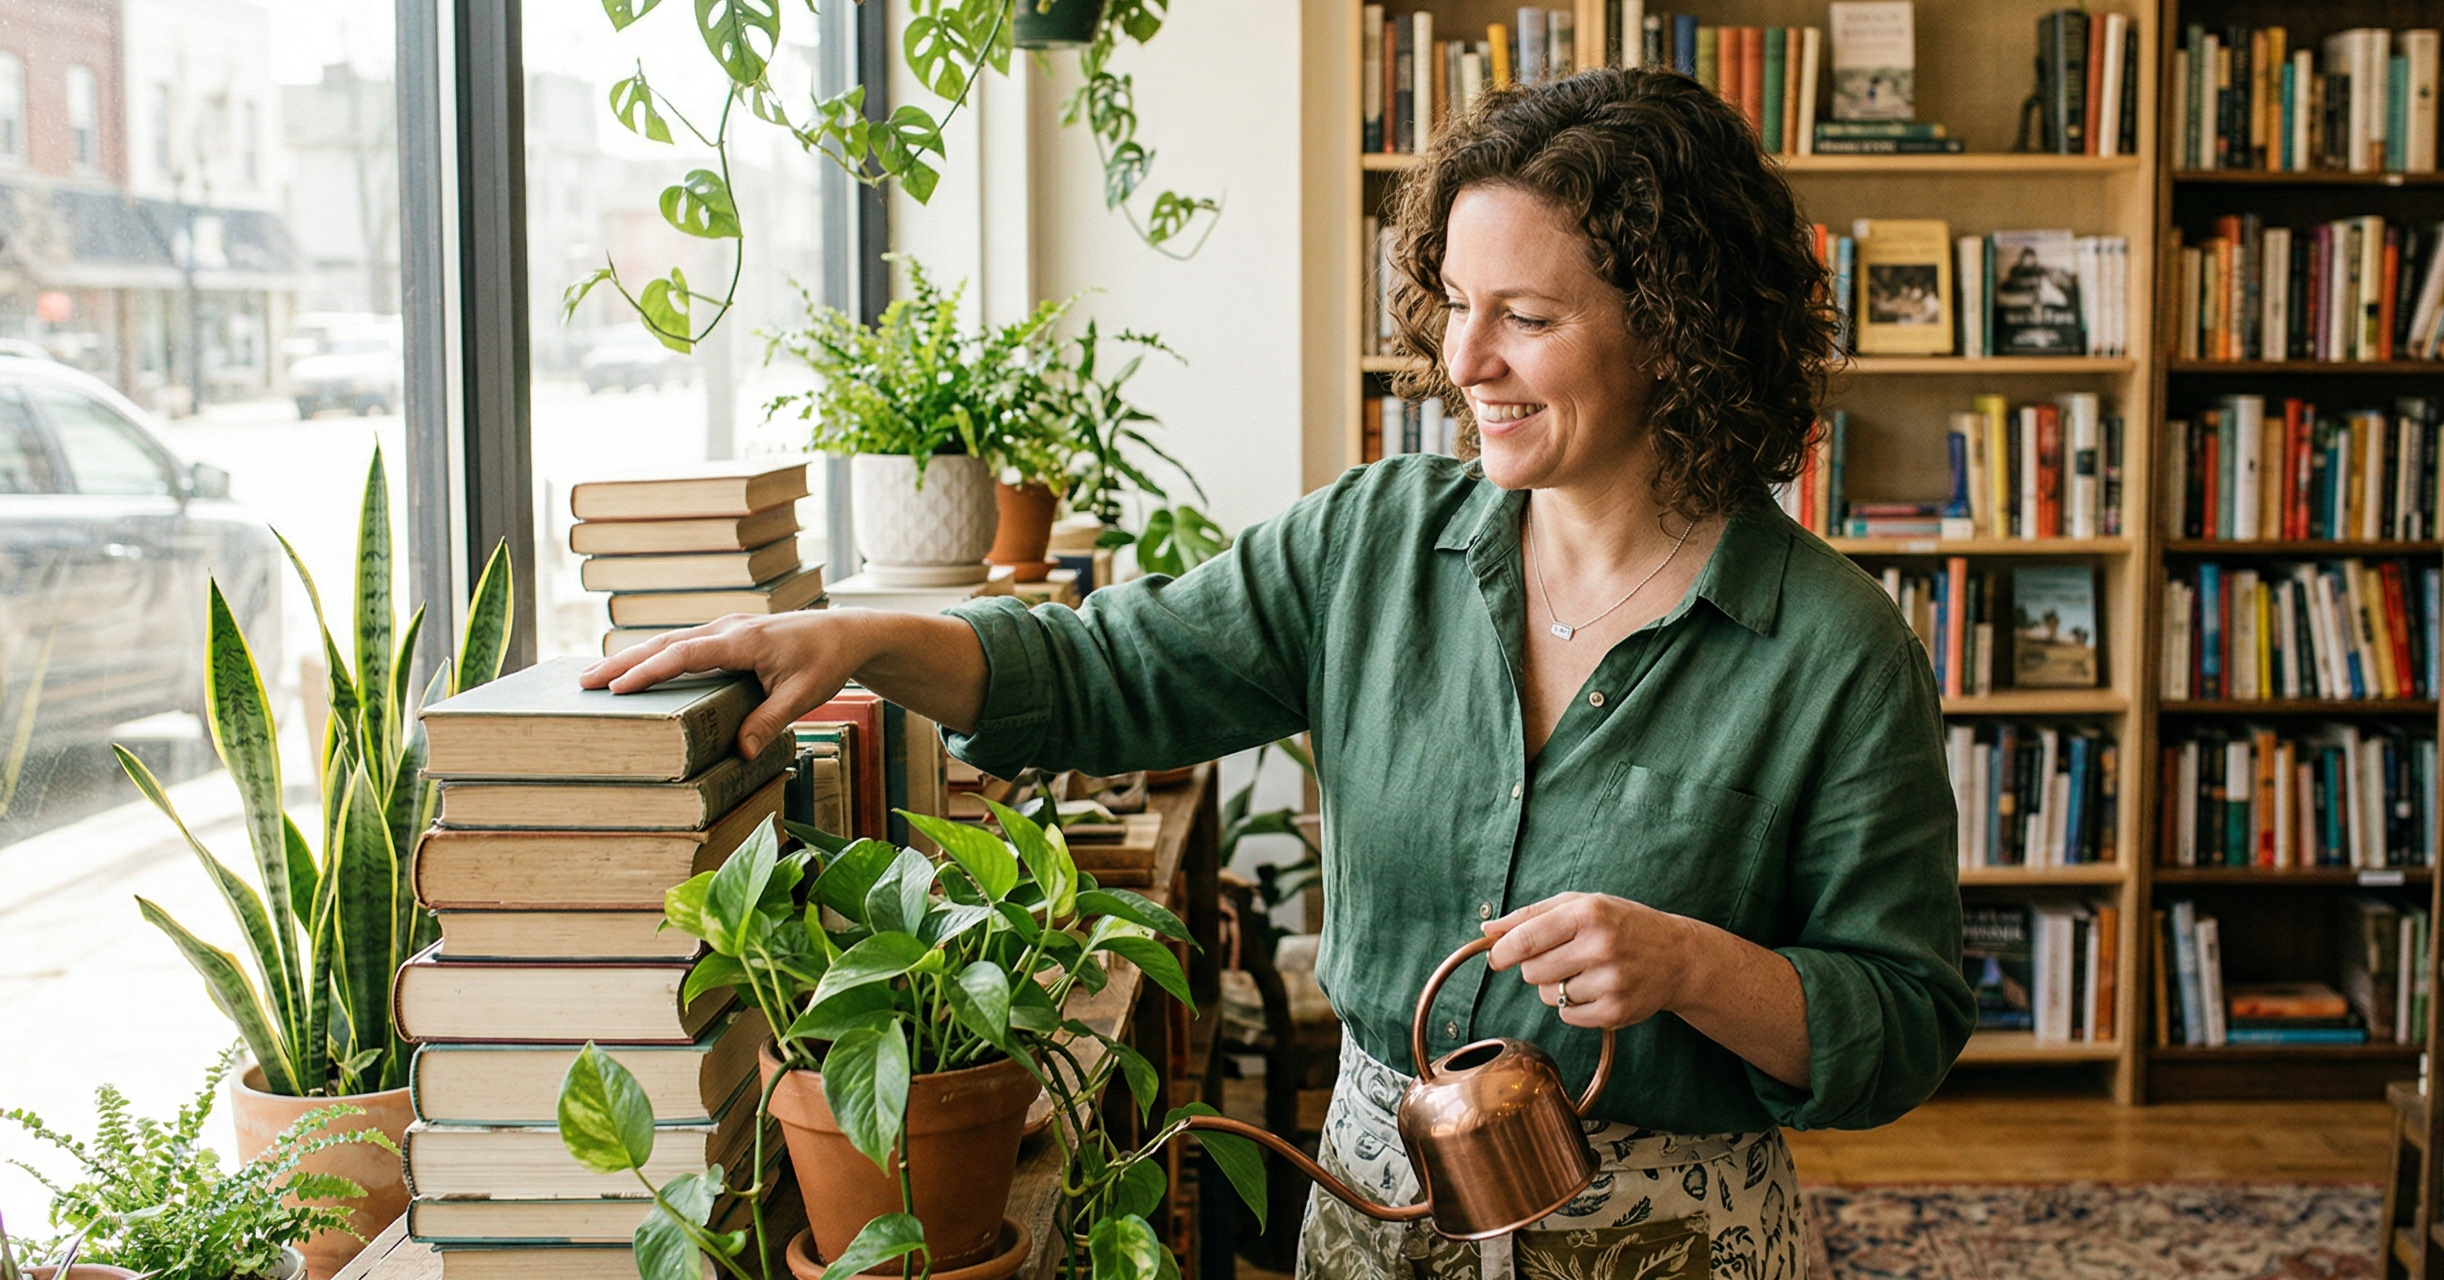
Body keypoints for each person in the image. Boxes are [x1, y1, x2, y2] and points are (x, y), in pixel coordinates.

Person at [584, 65, 1971, 1280]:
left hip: (1674, 1235)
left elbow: (1901, 1023)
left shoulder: (1831, 649)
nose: (1463, 360)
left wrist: (1690, 964)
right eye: (1454, 303)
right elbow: (1103, 673)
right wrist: (857, 638)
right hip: (1382, 1204)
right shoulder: (1372, 542)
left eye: (1527, 318)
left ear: (1677, 330)